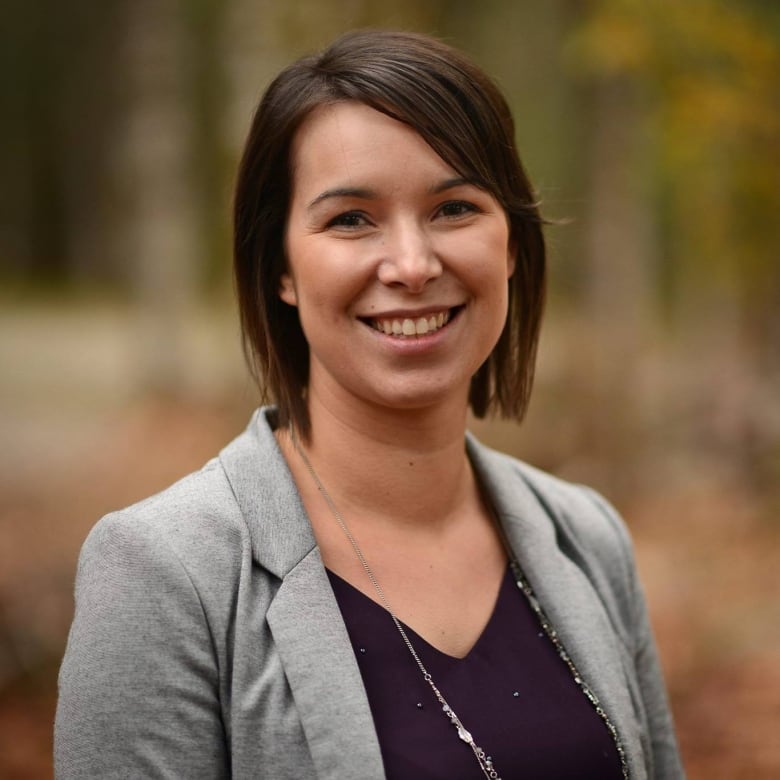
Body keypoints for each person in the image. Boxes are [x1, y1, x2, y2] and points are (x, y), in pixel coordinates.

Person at [55, 29, 684, 780]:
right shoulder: (165, 573)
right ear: (280, 269)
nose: (414, 266)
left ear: (511, 244)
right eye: (351, 218)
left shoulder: (587, 538)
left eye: (454, 207)